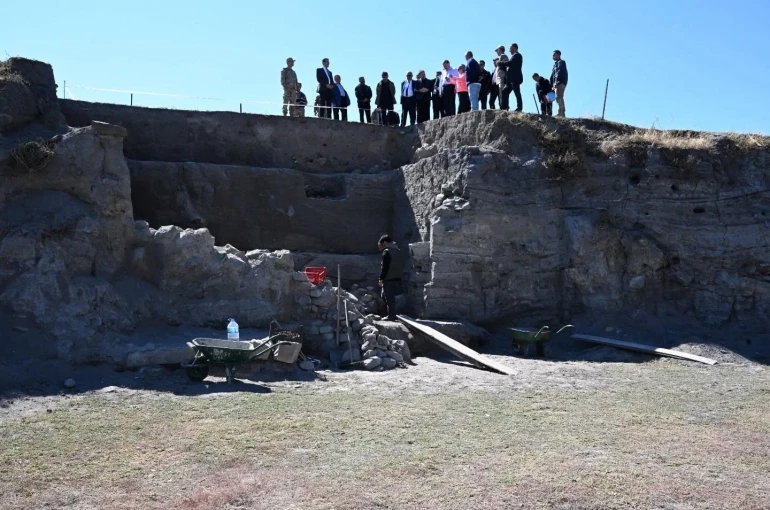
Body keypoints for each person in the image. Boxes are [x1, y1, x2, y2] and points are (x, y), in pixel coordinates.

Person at [377, 235, 405, 321]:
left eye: (380, 245)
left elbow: (385, 267)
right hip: (398, 277)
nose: (380, 247)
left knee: (389, 298)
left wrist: (381, 278)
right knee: (396, 297)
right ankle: (397, 314)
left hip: (388, 278)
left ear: (385, 243)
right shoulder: (398, 251)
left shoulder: (387, 252)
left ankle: (391, 316)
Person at [502, 43, 524, 112]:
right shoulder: (514, 56)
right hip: (510, 80)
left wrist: (501, 63)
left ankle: (519, 108)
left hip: (515, 78)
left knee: (517, 92)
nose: (509, 50)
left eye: (510, 48)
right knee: (504, 91)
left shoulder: (517, 55)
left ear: (514, 48)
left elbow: (511, 63)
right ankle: (505, 108)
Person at [551, 50, 568, 117]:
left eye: (554, 55)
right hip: (557, 83)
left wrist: (557, 82)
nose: (553, 56)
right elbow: (552, 75)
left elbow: (559, 72)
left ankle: (561, 112)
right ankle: (561, 112)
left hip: (560, 82)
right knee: (558, 97)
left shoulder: (561, 62)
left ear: (558, 55)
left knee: (559, 96)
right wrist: (551, 84)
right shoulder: (555, 64)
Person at [495, 45, 510, 110]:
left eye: (497, 50)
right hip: (500, 78)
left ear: (500, 50)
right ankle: (503, 107)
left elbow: (506, 65)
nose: (496, 52)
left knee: (502, 93)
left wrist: (499, 63)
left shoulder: (503, 56)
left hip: (502, 77)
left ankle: (504, 107)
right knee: (501, 93)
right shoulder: (501, 56)